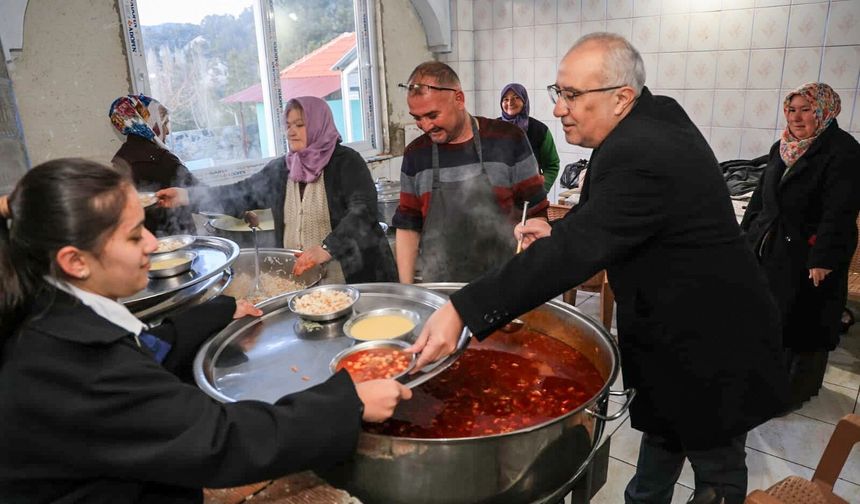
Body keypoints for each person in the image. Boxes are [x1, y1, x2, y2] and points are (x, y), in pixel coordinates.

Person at [407, 34, 789, 504]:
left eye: (571, 96)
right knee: (659, 451)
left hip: (713, 344)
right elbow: (608, 224)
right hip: (672, 338)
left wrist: (464, 309)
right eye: (558, 91)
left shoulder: (643, 152)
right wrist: (559, 232)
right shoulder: (652, 114)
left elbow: (575, 255)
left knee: (717, 473)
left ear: (621, 98)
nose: (559, 108)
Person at [0, 159, 410, 502]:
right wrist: (347, 401)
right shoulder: (75, 364)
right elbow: (219, 439)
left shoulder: (50, 315)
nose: (151, 244)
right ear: (75, 262)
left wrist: (218, 312)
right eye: (132, 235)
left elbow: (149, 347)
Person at [158, 96, 397, 284]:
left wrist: (327, 248)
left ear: (318, 125)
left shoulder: (346, 162)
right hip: (306, 278)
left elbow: (362, 212)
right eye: (288, 125)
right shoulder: (283, 168)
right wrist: (187, 196)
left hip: (356, 277)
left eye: (300, 125)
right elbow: (240, 194)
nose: (291, 131)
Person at [741, 83, 860, 409]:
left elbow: (840, 210)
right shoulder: (782, 146)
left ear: (823, 112)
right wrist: (744, 236)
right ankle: (763, 383)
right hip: (773, 245)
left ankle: (791, 394)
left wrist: (822, 257)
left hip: (811, 254)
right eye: (791, 109)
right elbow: (760, 198)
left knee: (802, 323)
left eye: (805, 110)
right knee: (769, 317)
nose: (797, 117)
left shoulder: (843, 151)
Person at [393, 62, 549, 284]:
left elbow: (536, 211)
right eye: (417, 118)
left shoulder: (508, 139)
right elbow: (408, 225)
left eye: (432, 115)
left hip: (504, 283)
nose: (425, 126)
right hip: (439, 287)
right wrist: (407, 291)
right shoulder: (416, 155)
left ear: (459, 99)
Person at [109, 94, 201, 237]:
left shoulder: (119, 159)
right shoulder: (163, 159)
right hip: (176, 239)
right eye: (164, 123)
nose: (168, 131)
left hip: (141, 239)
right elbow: (201, 193)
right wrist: (240, 209)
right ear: (150, 123)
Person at [498, 83, 561, 191]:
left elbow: (552, 165)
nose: (510, 102)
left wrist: (541, 189)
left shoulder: (540, 130)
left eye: (516, 98)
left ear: (524, 100)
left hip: (530, 198)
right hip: (498, 198)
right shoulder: (492, 128)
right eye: (505, 99)